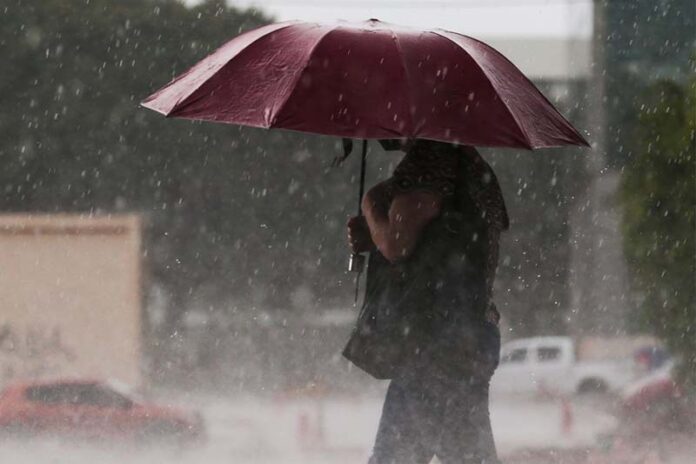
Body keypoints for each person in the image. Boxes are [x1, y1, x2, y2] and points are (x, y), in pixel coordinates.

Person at [344, 139, 509, 464]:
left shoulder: (431, 159)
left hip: (432, 342)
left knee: (398, 457)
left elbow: (396, 243)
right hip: (467, 337)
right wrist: (375, 234)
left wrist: (370, 207)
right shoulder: (472, 166)